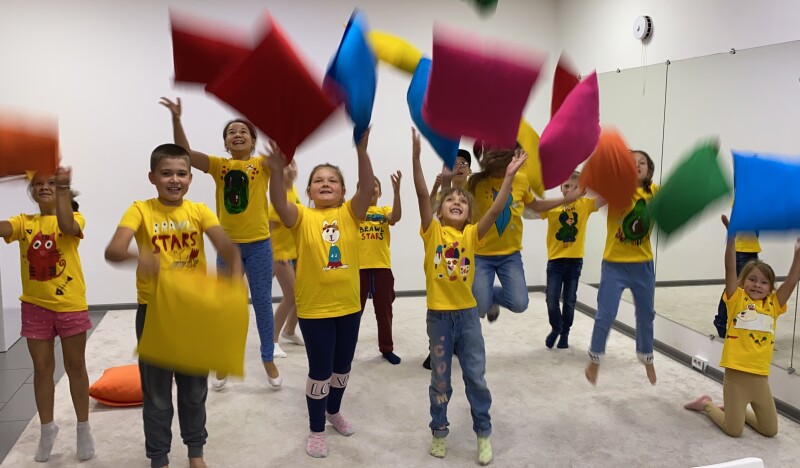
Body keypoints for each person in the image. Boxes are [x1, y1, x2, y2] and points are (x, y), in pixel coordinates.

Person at [105, 144, 242, 468]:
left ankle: (196, 453)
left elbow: (228, 248)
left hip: (194, 313)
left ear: (191, 178)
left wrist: (235, 281)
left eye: (181, 173)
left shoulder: (199, 211)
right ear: (153, 177)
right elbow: (113, 250)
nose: (174, 180)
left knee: (195, 390)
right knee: (157, 394)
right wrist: (138, 258)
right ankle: (159, 458)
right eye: (166, 173)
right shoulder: (140, 210)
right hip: (155, 313)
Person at [412, 128, 526, 465]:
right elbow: (422, 195)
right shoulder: (431, 231)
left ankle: (483, 432)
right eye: (451, 200)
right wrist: (417, 161)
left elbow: (495, 210)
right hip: (439, 320)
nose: (458, 202)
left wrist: (507, 177)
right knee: (441, 379)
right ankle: (439, 430)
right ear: (439, 209)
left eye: (462, 200)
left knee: (476, 376)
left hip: (467, 318)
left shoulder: (473, 236)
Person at [267, 130, 375, 458]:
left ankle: (333, 411)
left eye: (332, 180)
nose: (325, 183)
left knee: (342, 368)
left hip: (349, 307)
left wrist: (361, 150)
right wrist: (276, 172)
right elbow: (280, 203)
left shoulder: (350, 214)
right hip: (315, 310)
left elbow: (368, 188)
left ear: (343, 191)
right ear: (310, 191)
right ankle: (316, 428)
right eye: (318, 180)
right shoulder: (302, 217)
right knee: (320, 371)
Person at [160, 97, 280, 388]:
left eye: (244, 132)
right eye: (231, 132)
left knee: (262, 302)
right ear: (226, 143)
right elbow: (185, 153)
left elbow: (282, 158)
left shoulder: (262, 164)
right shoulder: (219, 166)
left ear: (253, 141)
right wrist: (177, 118)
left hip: (259, 245)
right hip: (229, 247)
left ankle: (267, 356)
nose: (237, 135)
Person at [1, 167, 94, 462]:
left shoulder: (75, 218)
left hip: (69, 304)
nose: (44, 187)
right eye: (38, 184)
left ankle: (83, 428)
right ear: (32, 191)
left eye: (51, 183)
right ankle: (47, 428)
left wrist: (64, 189)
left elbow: (67, 226)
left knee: (75, 366)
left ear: (62, 188)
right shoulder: (23, 222)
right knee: (41, 370)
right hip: (35, 306)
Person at [684, 215, 800, 438]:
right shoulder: (736, 299)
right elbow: (729, 269)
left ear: (770, 288)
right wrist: (731, 240)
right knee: (733, 430)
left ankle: (737, 410)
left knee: (770, 430)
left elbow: (792, 279)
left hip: (760, 379)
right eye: (752, 279)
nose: (758, 285)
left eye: (764, 282)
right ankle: (708, 405)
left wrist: (797, 254)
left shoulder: (774, 305)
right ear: (742, 282)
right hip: (736, 377)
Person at [467, 145, 581, 322]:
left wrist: (565, 200)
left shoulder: (520, 180)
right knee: (480, 306)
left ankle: (493, 296)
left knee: (520, 304)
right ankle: (487, 300)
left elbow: (535, 205)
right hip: (480, 255)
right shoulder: (475, 182)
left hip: (510, 255)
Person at [585, 150, 660, 386]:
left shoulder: (654, 192)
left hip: (643, 266)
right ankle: (594, 359)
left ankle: (647, 357)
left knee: (646, 314)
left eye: (642, 163)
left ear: (649, 169)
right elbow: (596, 200)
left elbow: (677, 199)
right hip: (614, 266)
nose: (637, 165)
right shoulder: (616, 190)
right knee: (605, 314)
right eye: (632, 162)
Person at [538, 171, 604, 349]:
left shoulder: (585, 205)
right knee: (551, 299)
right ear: (560, 187)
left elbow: (605, 198)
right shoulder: (553, 206)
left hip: (575, 262)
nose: (570, 190)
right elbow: (531, 210)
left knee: (569, 300)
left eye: (575, 187)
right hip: (555, 262)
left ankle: (565, 333)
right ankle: (556, 328)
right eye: (566, 186)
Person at [358, 172, 403, 364]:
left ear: (380, 192)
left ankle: (386, 348)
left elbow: (396, 216)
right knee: (353, 313)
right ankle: (345, 348)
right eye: (365, 185)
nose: (370, 188)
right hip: (358, 269)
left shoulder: (384, 210)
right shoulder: (354, 212)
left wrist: (397, 193)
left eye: (374, 185)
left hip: (382, 268)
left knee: (384, 311)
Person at [269, 159, 304, 358]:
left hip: (295, 253)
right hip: (280, 255)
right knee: (291, 296)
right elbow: (268, 230)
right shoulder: (279, 197)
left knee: (301, 295)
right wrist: (275, 255)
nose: (291, 169)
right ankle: (272, 341)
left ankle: (289, 331)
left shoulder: (293, 192)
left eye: (293, 165)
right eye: (286, 166)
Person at [713, 231, 761, 337]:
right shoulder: (744, 213)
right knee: (733, 288)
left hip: (753, 248)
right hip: (741, 250)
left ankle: (744, 322)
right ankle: (720, 321)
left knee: (751, 289)